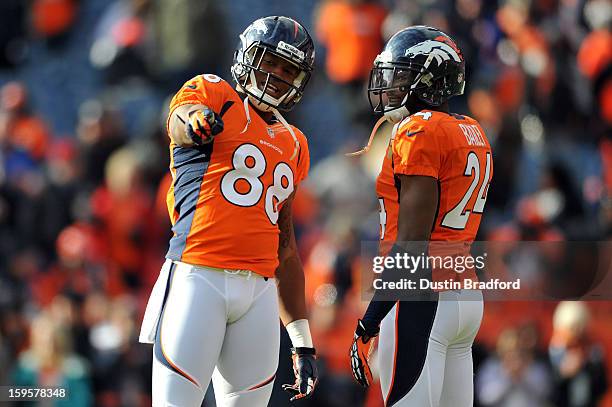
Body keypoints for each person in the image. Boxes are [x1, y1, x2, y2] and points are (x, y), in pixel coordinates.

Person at [138, 16, 318, 407]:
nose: (276, 75)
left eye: (288, 70)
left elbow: (285, 248)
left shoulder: (295, 142)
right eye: (269, 61)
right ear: (247, 57)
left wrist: (302, 342)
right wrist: (196, 122)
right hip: (197, 276)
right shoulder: (216, 93)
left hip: (259, 293)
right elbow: (178, 120)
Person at [348, 26, 493, 406]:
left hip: (419, 296)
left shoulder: (418, 130)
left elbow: (411, 244)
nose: (390, 85)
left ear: (428, 79)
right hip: (465, 294)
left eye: (401, 75)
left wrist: (369, 321)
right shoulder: (472, 129)